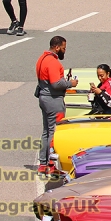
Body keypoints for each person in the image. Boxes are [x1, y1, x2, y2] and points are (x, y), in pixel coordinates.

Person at [35, 36, 77, 175]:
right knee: (55, 133)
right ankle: (51, 165)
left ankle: (43, 163)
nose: (64, 51)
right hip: (53, 100)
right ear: (57, 47)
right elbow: (56, 83)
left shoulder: (41, 58)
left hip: (44, 98)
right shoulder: (53, 62)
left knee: (46, 131)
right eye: (64, 48)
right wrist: (70, 83)